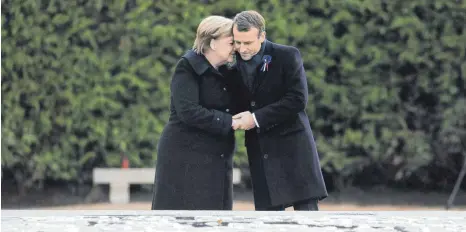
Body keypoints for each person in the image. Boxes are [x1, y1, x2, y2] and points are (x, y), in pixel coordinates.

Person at [230, 10, 328, 211]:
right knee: (267, 221)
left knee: (307, 221)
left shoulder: (287, 55)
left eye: (248, 43)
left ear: (262, 36)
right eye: (238, 42)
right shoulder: (230, 64)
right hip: (260, 151)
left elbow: (297, 100)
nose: (242, 48)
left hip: (294, 148)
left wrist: (255, 119)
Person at [151, 15, 240, 210]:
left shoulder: (227, 71)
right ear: (213, 43)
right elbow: (188, 111)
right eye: (231, 42)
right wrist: (229, 122)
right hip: (185, 156)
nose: (236, 47)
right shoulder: (187, 67)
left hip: (216, 156)